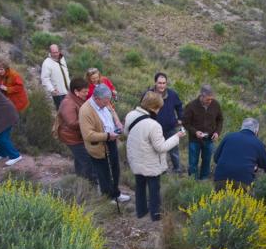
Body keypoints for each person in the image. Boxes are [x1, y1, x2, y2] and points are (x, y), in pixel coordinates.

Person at [125, 91, 186, 221]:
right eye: (158, 107)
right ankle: (155, 215)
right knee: (154, 190)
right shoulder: (154, 125)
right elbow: (161, 147)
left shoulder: (130, 115)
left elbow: (127, 133)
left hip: (136, 159)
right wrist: (177, 136)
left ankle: (141, 212)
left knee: (140, 186)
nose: (159, 110)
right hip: (151, 163)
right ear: (153, 107)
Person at [79, 83, 130, 203]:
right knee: (104, 172)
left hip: (111, 141)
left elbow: (112, 111)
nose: (107, 104)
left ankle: (116, 193)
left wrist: (117, 122)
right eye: (105, 102)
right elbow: (88, 135)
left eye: (108, 101)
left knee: (115, 169)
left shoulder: (105, 102)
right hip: (99, 146)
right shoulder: (85, 111)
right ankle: (108, 197)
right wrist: (107, 136)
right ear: (96, 98)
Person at [213, 118, 266, 190]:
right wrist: (255, 166)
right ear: (256, 130)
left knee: (220, 197)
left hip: (220, 178)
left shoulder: (228, 137)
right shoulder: (258, 143)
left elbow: (216, 158)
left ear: (242, 127)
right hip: (243, 181)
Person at [56, 77, 96, 182]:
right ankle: (90, 182)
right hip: (72, 138)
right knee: (87, 160)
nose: (87, 94)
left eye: (87, 91)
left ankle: (80, 179)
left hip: (78, 136)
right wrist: (90, 121)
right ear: (76, 91)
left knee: (80, 159)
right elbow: (72, 123)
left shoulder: (77, 99)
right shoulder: (68, 103)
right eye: (84, 92)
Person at [144, 72, 184, 173]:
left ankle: (177, 169)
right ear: (155, 83)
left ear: (166, 83)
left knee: (173, 150)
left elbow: (179, 106)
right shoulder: (149, 94)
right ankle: (161, 170)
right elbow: (143, 108)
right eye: (159, 83)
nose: (162, 85)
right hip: (153, 129)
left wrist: (181, 118)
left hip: (170, 127)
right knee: (156, 151)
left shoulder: (172, 94)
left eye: (164, 83)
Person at [182, 84, 223, 180]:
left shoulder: (215, 104)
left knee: (207, 161)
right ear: (202, 96)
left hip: (209, 139)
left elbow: (220, 119)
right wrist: (195, 132)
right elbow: (185, 123)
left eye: (211, 99)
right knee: (193, 163)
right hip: (194, 140)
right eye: (208, 99)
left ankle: (204, 180)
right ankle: (192, 181)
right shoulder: (191, 106)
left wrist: (217, 132)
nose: (210, 101)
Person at [40, 44, 70, 110]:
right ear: (50, 53)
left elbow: (66, 72)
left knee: (69, 110)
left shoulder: (62, 59)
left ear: (59, 51)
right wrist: (52, 89)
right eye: (53, 53)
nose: (56, 54)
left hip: (67, 91)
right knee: (61, 111)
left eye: (57, 52)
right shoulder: (46, 63)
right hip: (58, 93)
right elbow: (45, 78)